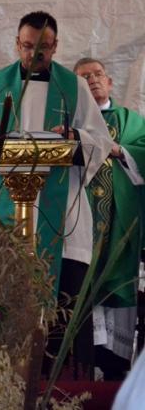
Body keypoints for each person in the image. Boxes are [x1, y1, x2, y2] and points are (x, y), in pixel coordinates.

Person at [0, 11, 114, 376]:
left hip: (61, 220)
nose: (34, 54)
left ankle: (58, 380)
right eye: (27, 46)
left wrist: (75, 137)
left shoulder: (73, 89)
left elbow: (100, 141)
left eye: (43, 48)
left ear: (55, 47)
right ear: (17, 44)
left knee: (61, 308)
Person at [73, 57, 145, 380]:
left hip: (120, 222)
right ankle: (85, 361)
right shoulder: (70, 123)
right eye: (84, 77)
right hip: (81, 223)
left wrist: (118, 150)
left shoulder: (131, 121)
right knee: (81, 282)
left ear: (110, 82)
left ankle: (115, 365)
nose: (92, 80)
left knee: (116, 281)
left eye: (98, 74)